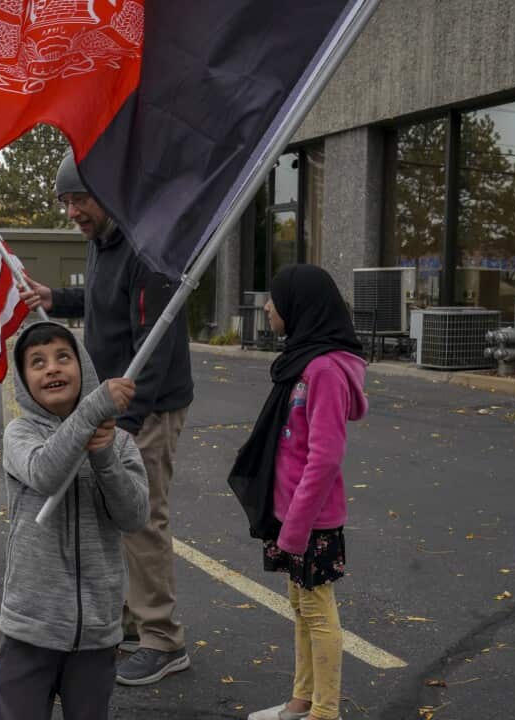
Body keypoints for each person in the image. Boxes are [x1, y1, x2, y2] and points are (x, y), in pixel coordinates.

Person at [20, 151, 194, 686]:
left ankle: (163, 638)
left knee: (141, 518)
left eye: (79, 199)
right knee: (114, 518)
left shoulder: (148, 251)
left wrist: (126, 424)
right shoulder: (102, 243)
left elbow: (155, 343)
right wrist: (59, 297)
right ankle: (133, 620)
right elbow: (104, 306)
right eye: (65, 202)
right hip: (111, 407)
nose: (72, 211)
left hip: (146, 409)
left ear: (109, 196)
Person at [230, 265, 367, 720]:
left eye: (275, 299)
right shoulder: (302, 363)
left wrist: (296, 528)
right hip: (291, 515)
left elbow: (325, 457)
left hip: (310, 521)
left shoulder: (324, 370)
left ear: (300, 307)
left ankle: (325, 712)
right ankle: (301, 701)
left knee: (317, 609)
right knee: (300, 605)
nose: (268, 307)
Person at [0, 320, 150, 719]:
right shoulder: (20, 433)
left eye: (64, 357)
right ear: (24, 380)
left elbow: (133, 516)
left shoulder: (118, 442)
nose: (52, 368)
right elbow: (46, 473)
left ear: (84, 366)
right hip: (32, 623)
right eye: (37, 362)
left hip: (97, 627)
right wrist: (92, 411)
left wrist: (104, 457)